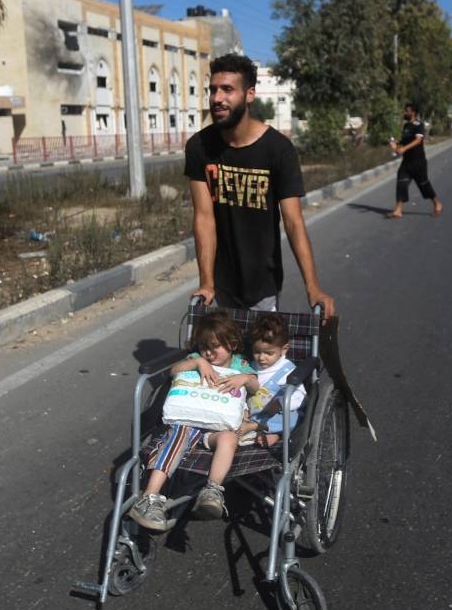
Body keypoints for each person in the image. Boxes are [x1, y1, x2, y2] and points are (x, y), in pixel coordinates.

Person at [184, 53, 334, 315]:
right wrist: (206, 282)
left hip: (262, 284)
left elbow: (293, 221)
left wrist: (313, 287)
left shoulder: (278, 150)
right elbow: (204, 217)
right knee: (222, 356)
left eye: (227, 90)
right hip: (220, 286)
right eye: (213, 90)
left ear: (249, 94)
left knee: (261, 354)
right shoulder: (199, 147)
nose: (217, 98)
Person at [129, 311, 259, 531]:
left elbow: (257, 387)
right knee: (179, 434)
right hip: (189, 421)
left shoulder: (240, 364)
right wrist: (198, 362)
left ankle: (212, 490)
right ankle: (149, 497)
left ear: (232, 343)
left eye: (214, 347)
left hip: (217, 429)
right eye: (204, 347)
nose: (208, 353)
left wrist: (245, 378)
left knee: (229, 438)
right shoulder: (197, 358)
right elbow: (174, 371)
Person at [236, 312, 306, 448]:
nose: (261, 358)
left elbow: (300, 397)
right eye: (257, 352)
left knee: (296, 418)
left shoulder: (288, 370)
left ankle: (266, 430)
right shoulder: (248, 367)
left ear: (284, 349)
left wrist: (281, 402)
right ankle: (264, 431)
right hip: (251, 415)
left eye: (269, 353)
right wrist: (243, 409)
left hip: (277, 415)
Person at [386, 102, 443, 218]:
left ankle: (437, 203)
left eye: (406, 111)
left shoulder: (418, 125)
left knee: (423, 185)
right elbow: (405, 140)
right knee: (401, 182)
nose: (404, 113)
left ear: (413, 112)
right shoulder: (406, 126)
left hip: (418, 162)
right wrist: (396, 143)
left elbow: (418, 140)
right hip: (407, 161)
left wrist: (404, 149)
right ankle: (398, 210)